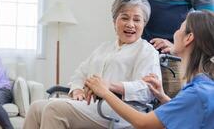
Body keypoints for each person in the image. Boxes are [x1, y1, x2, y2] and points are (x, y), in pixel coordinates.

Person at [23, 0, 161, 129]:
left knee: (55, 109)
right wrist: (77, 90)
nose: (130, 24)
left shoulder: (147, 51)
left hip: (122, 111)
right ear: (114, 22)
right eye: (124, 18)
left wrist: (110, 86)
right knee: (36, 107)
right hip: (92, 105)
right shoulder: (104, 48)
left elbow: (147, 89)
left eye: (137, 20)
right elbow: (80, 74)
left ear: (144, 24)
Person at [85, 10, 214, 129]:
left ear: (189, 38)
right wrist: (162, 97)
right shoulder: (204, 88)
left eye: (180, 28)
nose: (176, 32)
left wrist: (104, 91)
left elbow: (144, 123)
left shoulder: (197, 92)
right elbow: (188, 110)